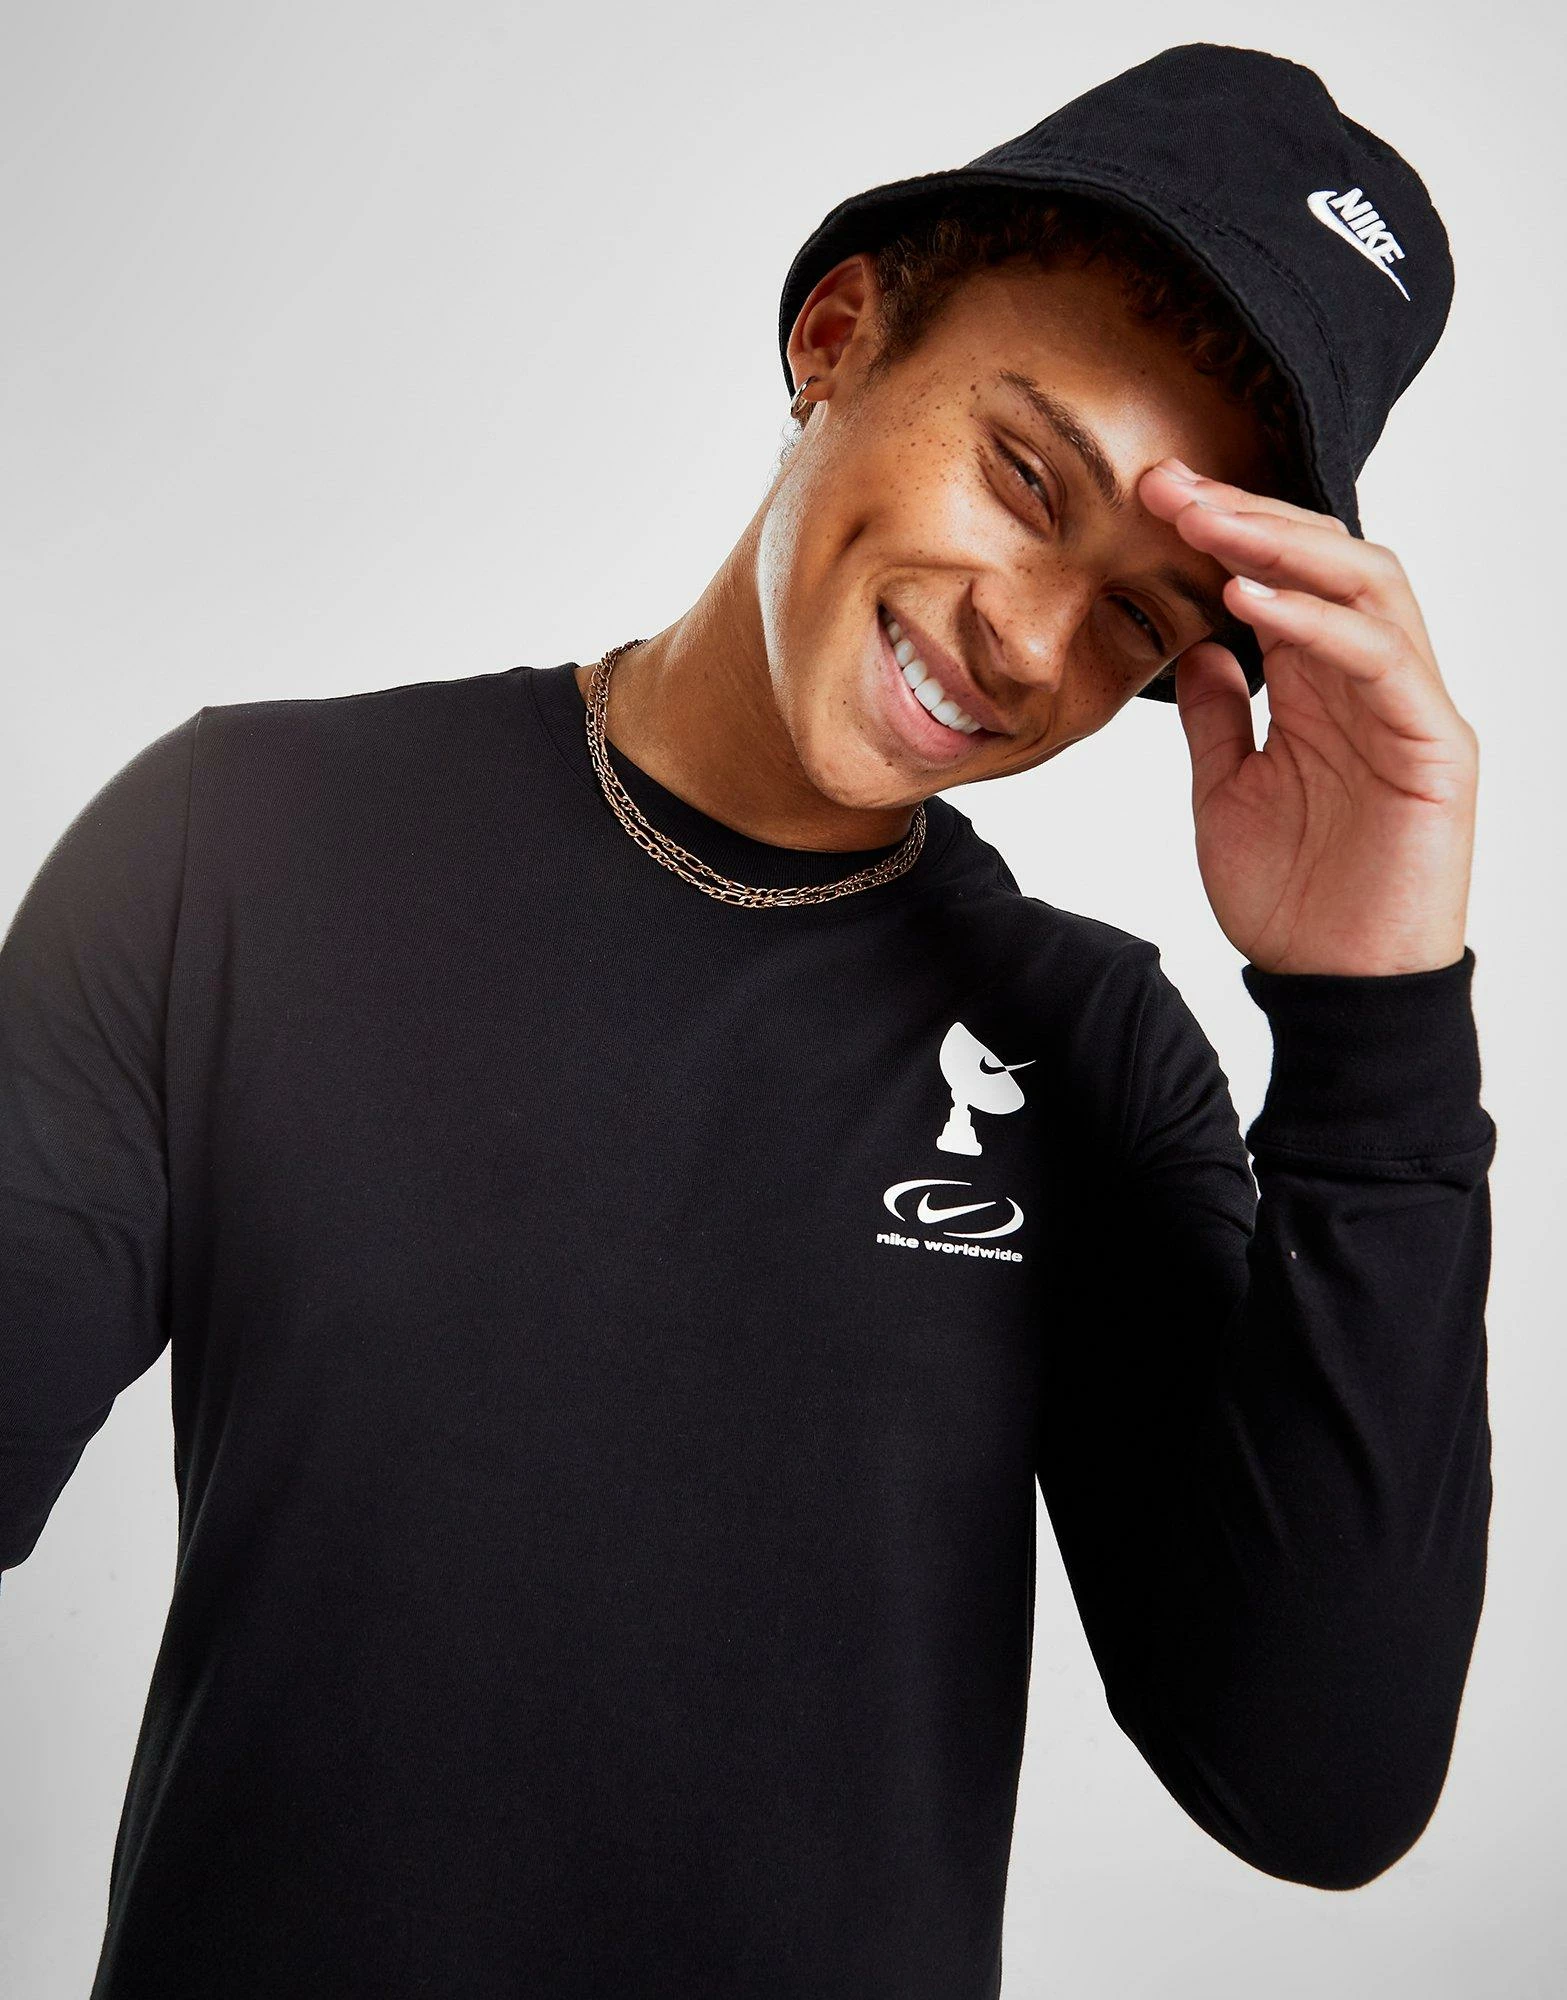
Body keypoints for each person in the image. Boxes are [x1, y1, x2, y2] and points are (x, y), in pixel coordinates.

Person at [0, 41, 1495, 2000]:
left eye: (1141, 619)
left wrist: (1376, 1019)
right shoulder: (245, 845)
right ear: (838, 334)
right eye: (1023, 478)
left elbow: (1319, 1777)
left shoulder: (1083, 1051)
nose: (1030, 639)